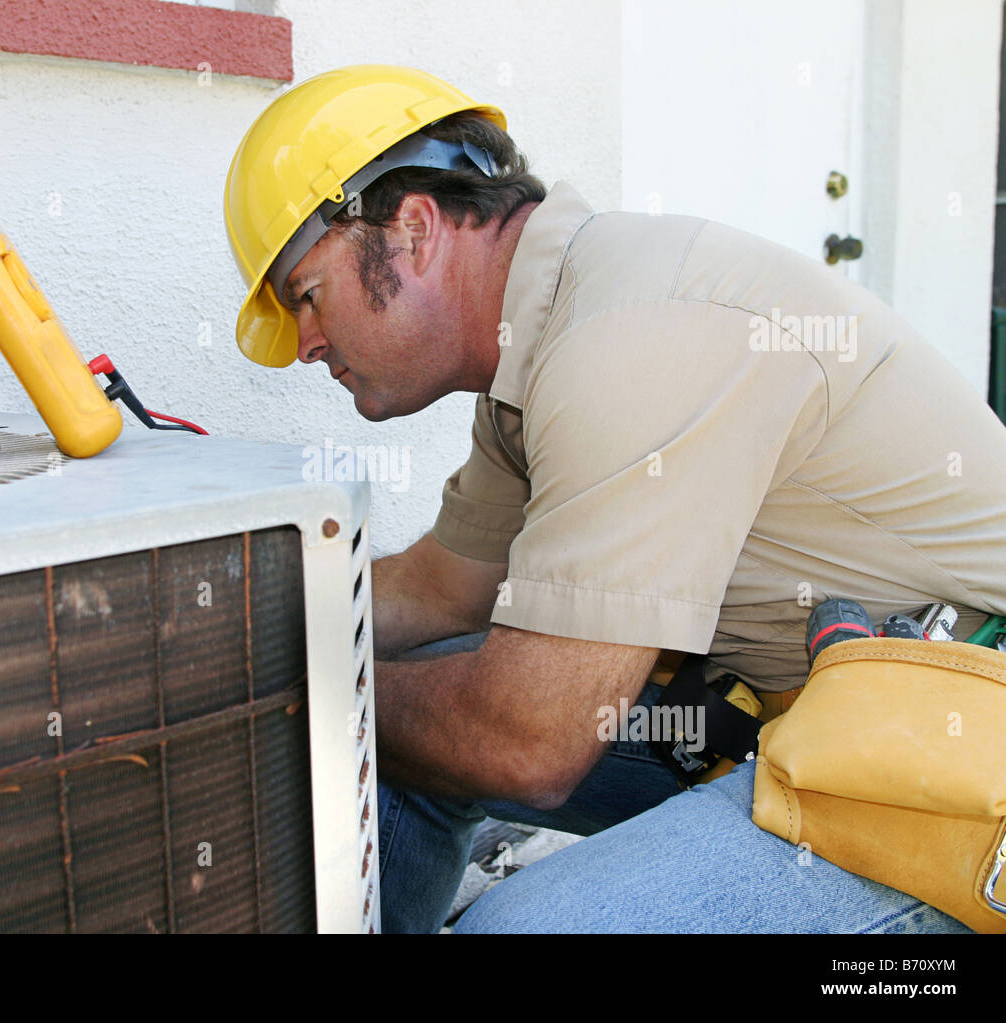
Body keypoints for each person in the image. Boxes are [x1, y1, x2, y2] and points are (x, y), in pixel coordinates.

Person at [223, 64, 1006, 933]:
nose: (304, 344)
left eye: (306, 296)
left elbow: (526, 741)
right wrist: (253, 624)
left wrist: (282, 688)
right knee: (408, 731)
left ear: (410, 231)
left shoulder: (632, 334)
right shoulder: (535, 351)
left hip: (956, 756)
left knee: (517, 929)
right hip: (804, 713)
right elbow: (443, 588)